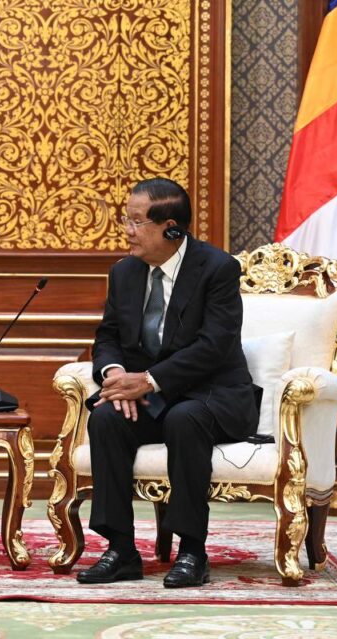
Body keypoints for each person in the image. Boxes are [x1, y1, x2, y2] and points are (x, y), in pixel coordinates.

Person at [76, 178, 260, 588]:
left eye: (137, 221)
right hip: (153, 398)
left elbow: (214, 346)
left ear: (171, 229)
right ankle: (120, 550)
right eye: (127, 219)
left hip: (212, 395)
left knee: (185, 418)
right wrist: (115, 376)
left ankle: (192, 551)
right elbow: (107, 337)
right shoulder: (124, 272)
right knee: (106, 419)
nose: (127, 230)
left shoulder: (217, 269)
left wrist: (149, 381)